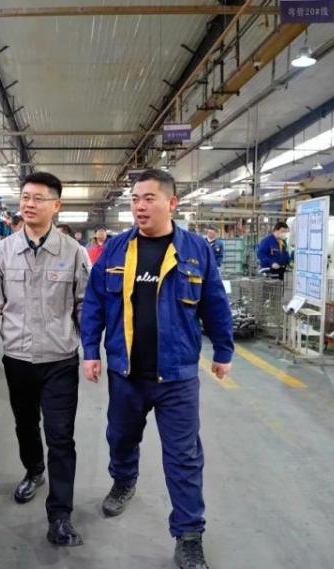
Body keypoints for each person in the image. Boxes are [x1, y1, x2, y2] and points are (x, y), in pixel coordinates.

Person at [81, 169, 234, 569]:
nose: (140, 206)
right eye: (135, 199)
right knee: (120, 438)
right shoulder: (116, 249)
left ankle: (189, 535)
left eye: (149, 198)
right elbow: (94, 302)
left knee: (184, 457)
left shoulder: (196, 250)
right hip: (126, 373)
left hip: (177, 376)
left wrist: (223, 350)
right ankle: (124, 480)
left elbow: (215, 303)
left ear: (172, 203)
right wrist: (90, 350)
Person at [0, 171, 90, 547]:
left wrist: (93, 351)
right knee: (25, 424)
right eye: (25, 197)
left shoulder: (74, 253)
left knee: (61, 437)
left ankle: (60, 516)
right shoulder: (3, 252)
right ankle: (34, 469)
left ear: (57, 205)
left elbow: (85, 306)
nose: (29, 204)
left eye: (39, 198)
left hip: (60, 360)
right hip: (18, 358)